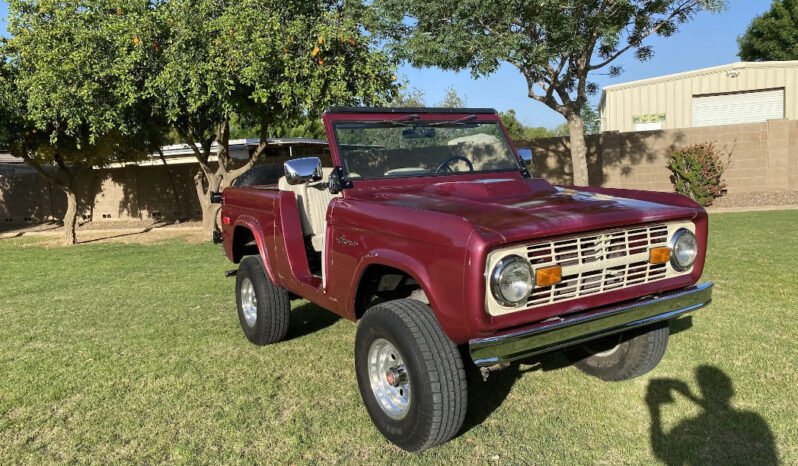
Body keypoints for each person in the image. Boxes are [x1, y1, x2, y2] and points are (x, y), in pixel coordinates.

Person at [647, 365, 778, 465]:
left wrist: (654, 408)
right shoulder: (754, 418)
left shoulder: (688, 426)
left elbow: (661, 452)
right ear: (730, 390)